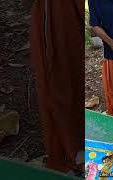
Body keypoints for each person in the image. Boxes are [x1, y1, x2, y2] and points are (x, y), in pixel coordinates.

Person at [30, 0, 84, 173]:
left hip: (68, 15)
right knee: (61, 77)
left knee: (68, 73)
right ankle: (70, 148)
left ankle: (76, 147)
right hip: (58, 13)